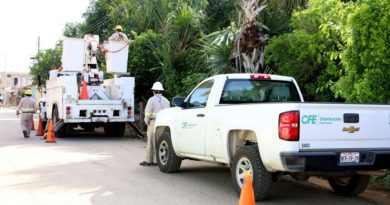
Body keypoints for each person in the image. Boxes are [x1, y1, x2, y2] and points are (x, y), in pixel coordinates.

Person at [140, 82, 170, 166]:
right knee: (159, 142)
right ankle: (157, 161)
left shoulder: (151, 100)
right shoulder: (167, 101)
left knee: (151, 142)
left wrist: (147, 122)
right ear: (161, 91)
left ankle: (148, 161)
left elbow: (147, 113)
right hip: (163, 124)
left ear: (153, 91)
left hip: (153, 123)